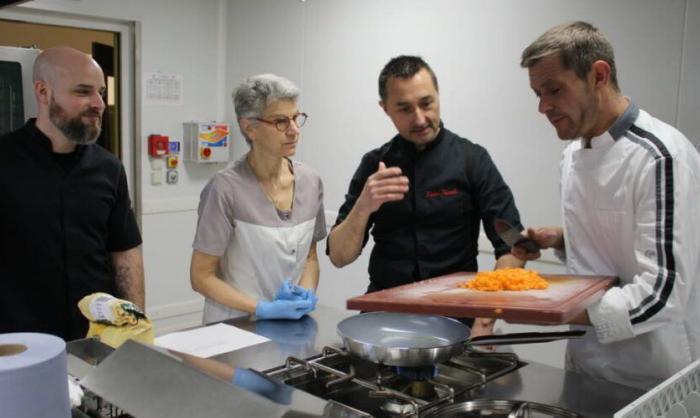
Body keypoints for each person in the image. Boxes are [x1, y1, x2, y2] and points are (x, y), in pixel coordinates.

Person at [516, 21, 700, 390]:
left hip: (653, 375)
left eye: (554, 89)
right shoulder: (571, 156)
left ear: (598, 74)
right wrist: (562, 239)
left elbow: (662, 293)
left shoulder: (660, 156)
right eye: (537, 93)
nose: (542, 106)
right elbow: (617, 243)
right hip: (585, 363)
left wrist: (552, 308)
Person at [327, 55, 524, 335]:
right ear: (385, 109)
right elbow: (339, 256)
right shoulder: (374, 165)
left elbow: (513, 242)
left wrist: (485, 318)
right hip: (384, 315)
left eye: (427, 103)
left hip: (458, 316)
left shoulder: (473, 160)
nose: (419, 118)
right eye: (404, 109)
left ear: (438, 95)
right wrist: (363, 207)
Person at [0, 47, 144, 341]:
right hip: (19, 341)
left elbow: (125, 253)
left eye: (101, 92)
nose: (99, 104)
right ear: (43, 91)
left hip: (96, 336)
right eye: (83, 92)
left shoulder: (109, 168)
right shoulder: (4, 161)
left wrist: (135, 325)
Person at [190, 74, 324, 322]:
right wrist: (261, 308)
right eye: (281, 121)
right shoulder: (225, 188)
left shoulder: (310, 181)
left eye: (296, 118)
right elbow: (201, 277)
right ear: (249, 127)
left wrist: (305, 292)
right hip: (234, 327)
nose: (294, 130)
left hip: (289, 327)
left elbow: (311, 257)